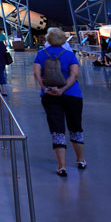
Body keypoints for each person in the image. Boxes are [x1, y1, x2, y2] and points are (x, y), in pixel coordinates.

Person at [33, 27, 85, 176]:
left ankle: (62, 166)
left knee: (57, 128)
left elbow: (36, 73)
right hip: (72, 95)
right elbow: (75, 74)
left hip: (49, 95)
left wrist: (46, 88)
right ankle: (80, 159)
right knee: (75, 126)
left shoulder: (41, 55)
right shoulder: (69, 55)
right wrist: (63, 89)